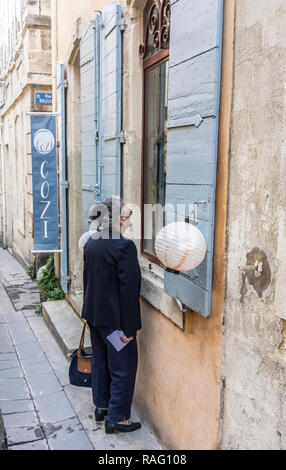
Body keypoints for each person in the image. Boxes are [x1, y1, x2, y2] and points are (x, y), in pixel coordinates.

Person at [81, 198, 142, 434]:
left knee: (101, 361)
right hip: (115, 322)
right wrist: (130, 329)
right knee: (123, 368)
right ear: (117, 218)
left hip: (94, 316)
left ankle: (102, 406)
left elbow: (89, 280)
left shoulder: (92, 241)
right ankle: (117, 418)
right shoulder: (124, 246)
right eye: (127, 214)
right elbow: (129, 292)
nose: (128, 219)